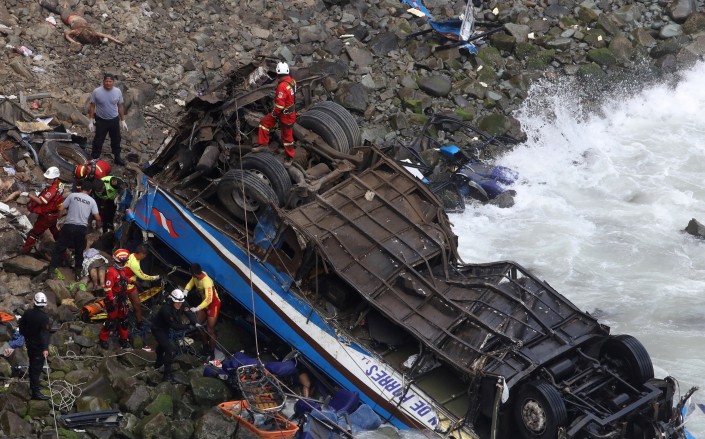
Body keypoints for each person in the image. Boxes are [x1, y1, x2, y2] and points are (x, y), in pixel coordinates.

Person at [48, 180, 102, 280]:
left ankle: (51, 270)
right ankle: (77, 273)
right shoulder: (92, 201)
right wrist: (98, 227)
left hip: (68, 226)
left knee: (60, 248)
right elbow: (97, 218)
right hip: (81, 229)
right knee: (79, 250)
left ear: (81, 188)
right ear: (90, 191)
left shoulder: (72, 196)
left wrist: (58, 219)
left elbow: (60, 209)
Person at [151, 289, 196, 383]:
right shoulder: (166, 310)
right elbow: (175, 326)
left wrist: (194, 323)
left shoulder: (181, 304)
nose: (179, 305)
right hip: (158, 329)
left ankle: (158, 363)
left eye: (181, 303)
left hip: (165, 329)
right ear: (172, 300)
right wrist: (188, 327)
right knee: (169, 349)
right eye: (177, 303)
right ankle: (166, 375)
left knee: (162, 346)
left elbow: (188, 312)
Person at [255, 62, 297, 163]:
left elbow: (280, 106)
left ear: (278, 73)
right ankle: (263, 145)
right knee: (265, 123)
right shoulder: (292, 81)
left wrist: (273, 114)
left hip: (284, 115)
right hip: (289, 113)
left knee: (287, 137)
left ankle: (290, 157)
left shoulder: (282, 86)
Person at [22, 167, 65, 254]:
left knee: (34, 233)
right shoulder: (60, 184)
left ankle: (25, 251)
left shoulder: (52, 189)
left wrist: (29, 195)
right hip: (54, 214)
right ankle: (63, 249)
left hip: (47, 216)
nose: (47, 180)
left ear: (55, 178)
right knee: (54, 231)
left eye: (49, 179)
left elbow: (41, 201)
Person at [183, 263, 221, 359]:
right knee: (197, 324)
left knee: (210, 329)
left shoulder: (207, 282)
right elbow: (191, 282)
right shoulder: (196, 276)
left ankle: (212, 353)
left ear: (195, 273)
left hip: (213, 305)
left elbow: (209, 299)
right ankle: (205, 347)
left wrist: (197, 308)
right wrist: (186, 290)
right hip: (204, 304)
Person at [88, 74, 127, 165]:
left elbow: (120, 105)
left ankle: (117, 157)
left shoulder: (117, 91)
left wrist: (123, 120)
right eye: (106, 81)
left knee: (116, 139)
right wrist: (91, 120)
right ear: (103, 81)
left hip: (114, 119)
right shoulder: (96, 92)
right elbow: (92, 106)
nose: (108, 83)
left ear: (113, 82)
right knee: (98, 140)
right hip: (101, 120)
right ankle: (95, 157)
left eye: (110, 81)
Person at [18, 292, 51, 400]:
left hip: (29, 344)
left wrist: (26, 337)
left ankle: (35, 385)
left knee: (33, 365)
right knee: (36, 368)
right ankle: (35, 392)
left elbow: (21, 326)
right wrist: (45, 348)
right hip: (38, 347)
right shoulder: (44, 317)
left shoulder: (28, 313)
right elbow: (44, 334)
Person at [99, 249, 134, 349]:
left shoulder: (121, 269)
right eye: (124, 261)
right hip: (113, 299)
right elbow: (108, 287)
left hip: (122, 298)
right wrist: (111, 300)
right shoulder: (111, 272)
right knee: (110, 320)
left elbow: (123, 278)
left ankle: (123, 339)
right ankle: (103, 339)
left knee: (124, 320)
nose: (125, 263)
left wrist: (131, 281)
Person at [125, 244, 160, 328]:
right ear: (141, 254)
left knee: (137, 304)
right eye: (144, 255)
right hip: (125, 286)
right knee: (126, 306)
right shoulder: (134, 264)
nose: (144, 257)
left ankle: (139, 322)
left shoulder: (132, 255)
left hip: (131, 284)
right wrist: (156, 277)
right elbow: (143, 276)